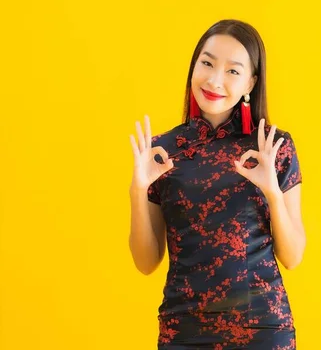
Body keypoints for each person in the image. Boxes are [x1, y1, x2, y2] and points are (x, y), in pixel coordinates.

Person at [128, 19, 305, 349]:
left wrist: (272, 192)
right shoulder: (161, 152)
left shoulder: (272, 147)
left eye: (233, 71)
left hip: (262, 329)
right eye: (207, 63)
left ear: (251, 82)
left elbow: (293, 256)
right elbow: (146, 262)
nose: (214, 80)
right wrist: (137, 190)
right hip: (183, 330)